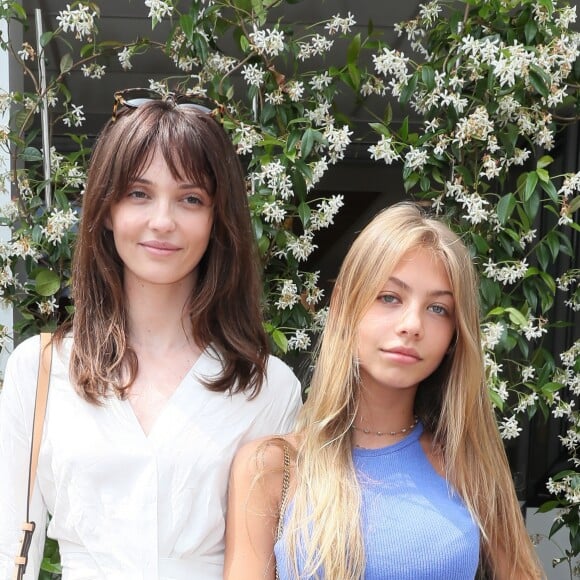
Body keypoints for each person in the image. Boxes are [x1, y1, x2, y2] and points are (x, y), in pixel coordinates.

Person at [0, 89, 302, 580]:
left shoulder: (269, 388)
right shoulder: (38, 369)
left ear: (217, 220)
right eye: (139, 193)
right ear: (106, 209)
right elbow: (8, 542)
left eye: (190, 199)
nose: (162, 221)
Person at [224, 202, 544, 579]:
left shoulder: (465, 462)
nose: (412, 325)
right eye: (390, 297)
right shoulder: (272, 466)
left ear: (455, 335)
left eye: (438, 309)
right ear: (344, 304)